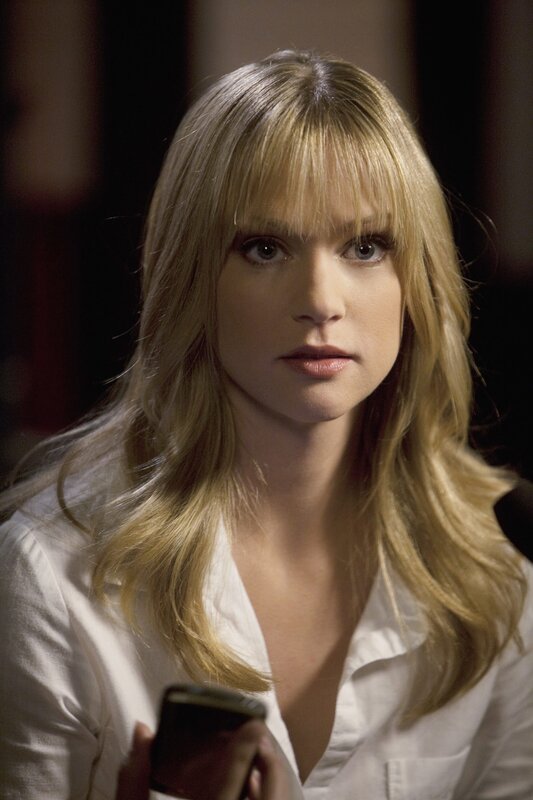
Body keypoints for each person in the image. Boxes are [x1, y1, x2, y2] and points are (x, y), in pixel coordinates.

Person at [0, 49, 532, 800]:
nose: (320, 300)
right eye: (263, 247)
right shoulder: (52, 575)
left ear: (418, 279)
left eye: (365, 247)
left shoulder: (496, 570)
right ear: (190, 274)